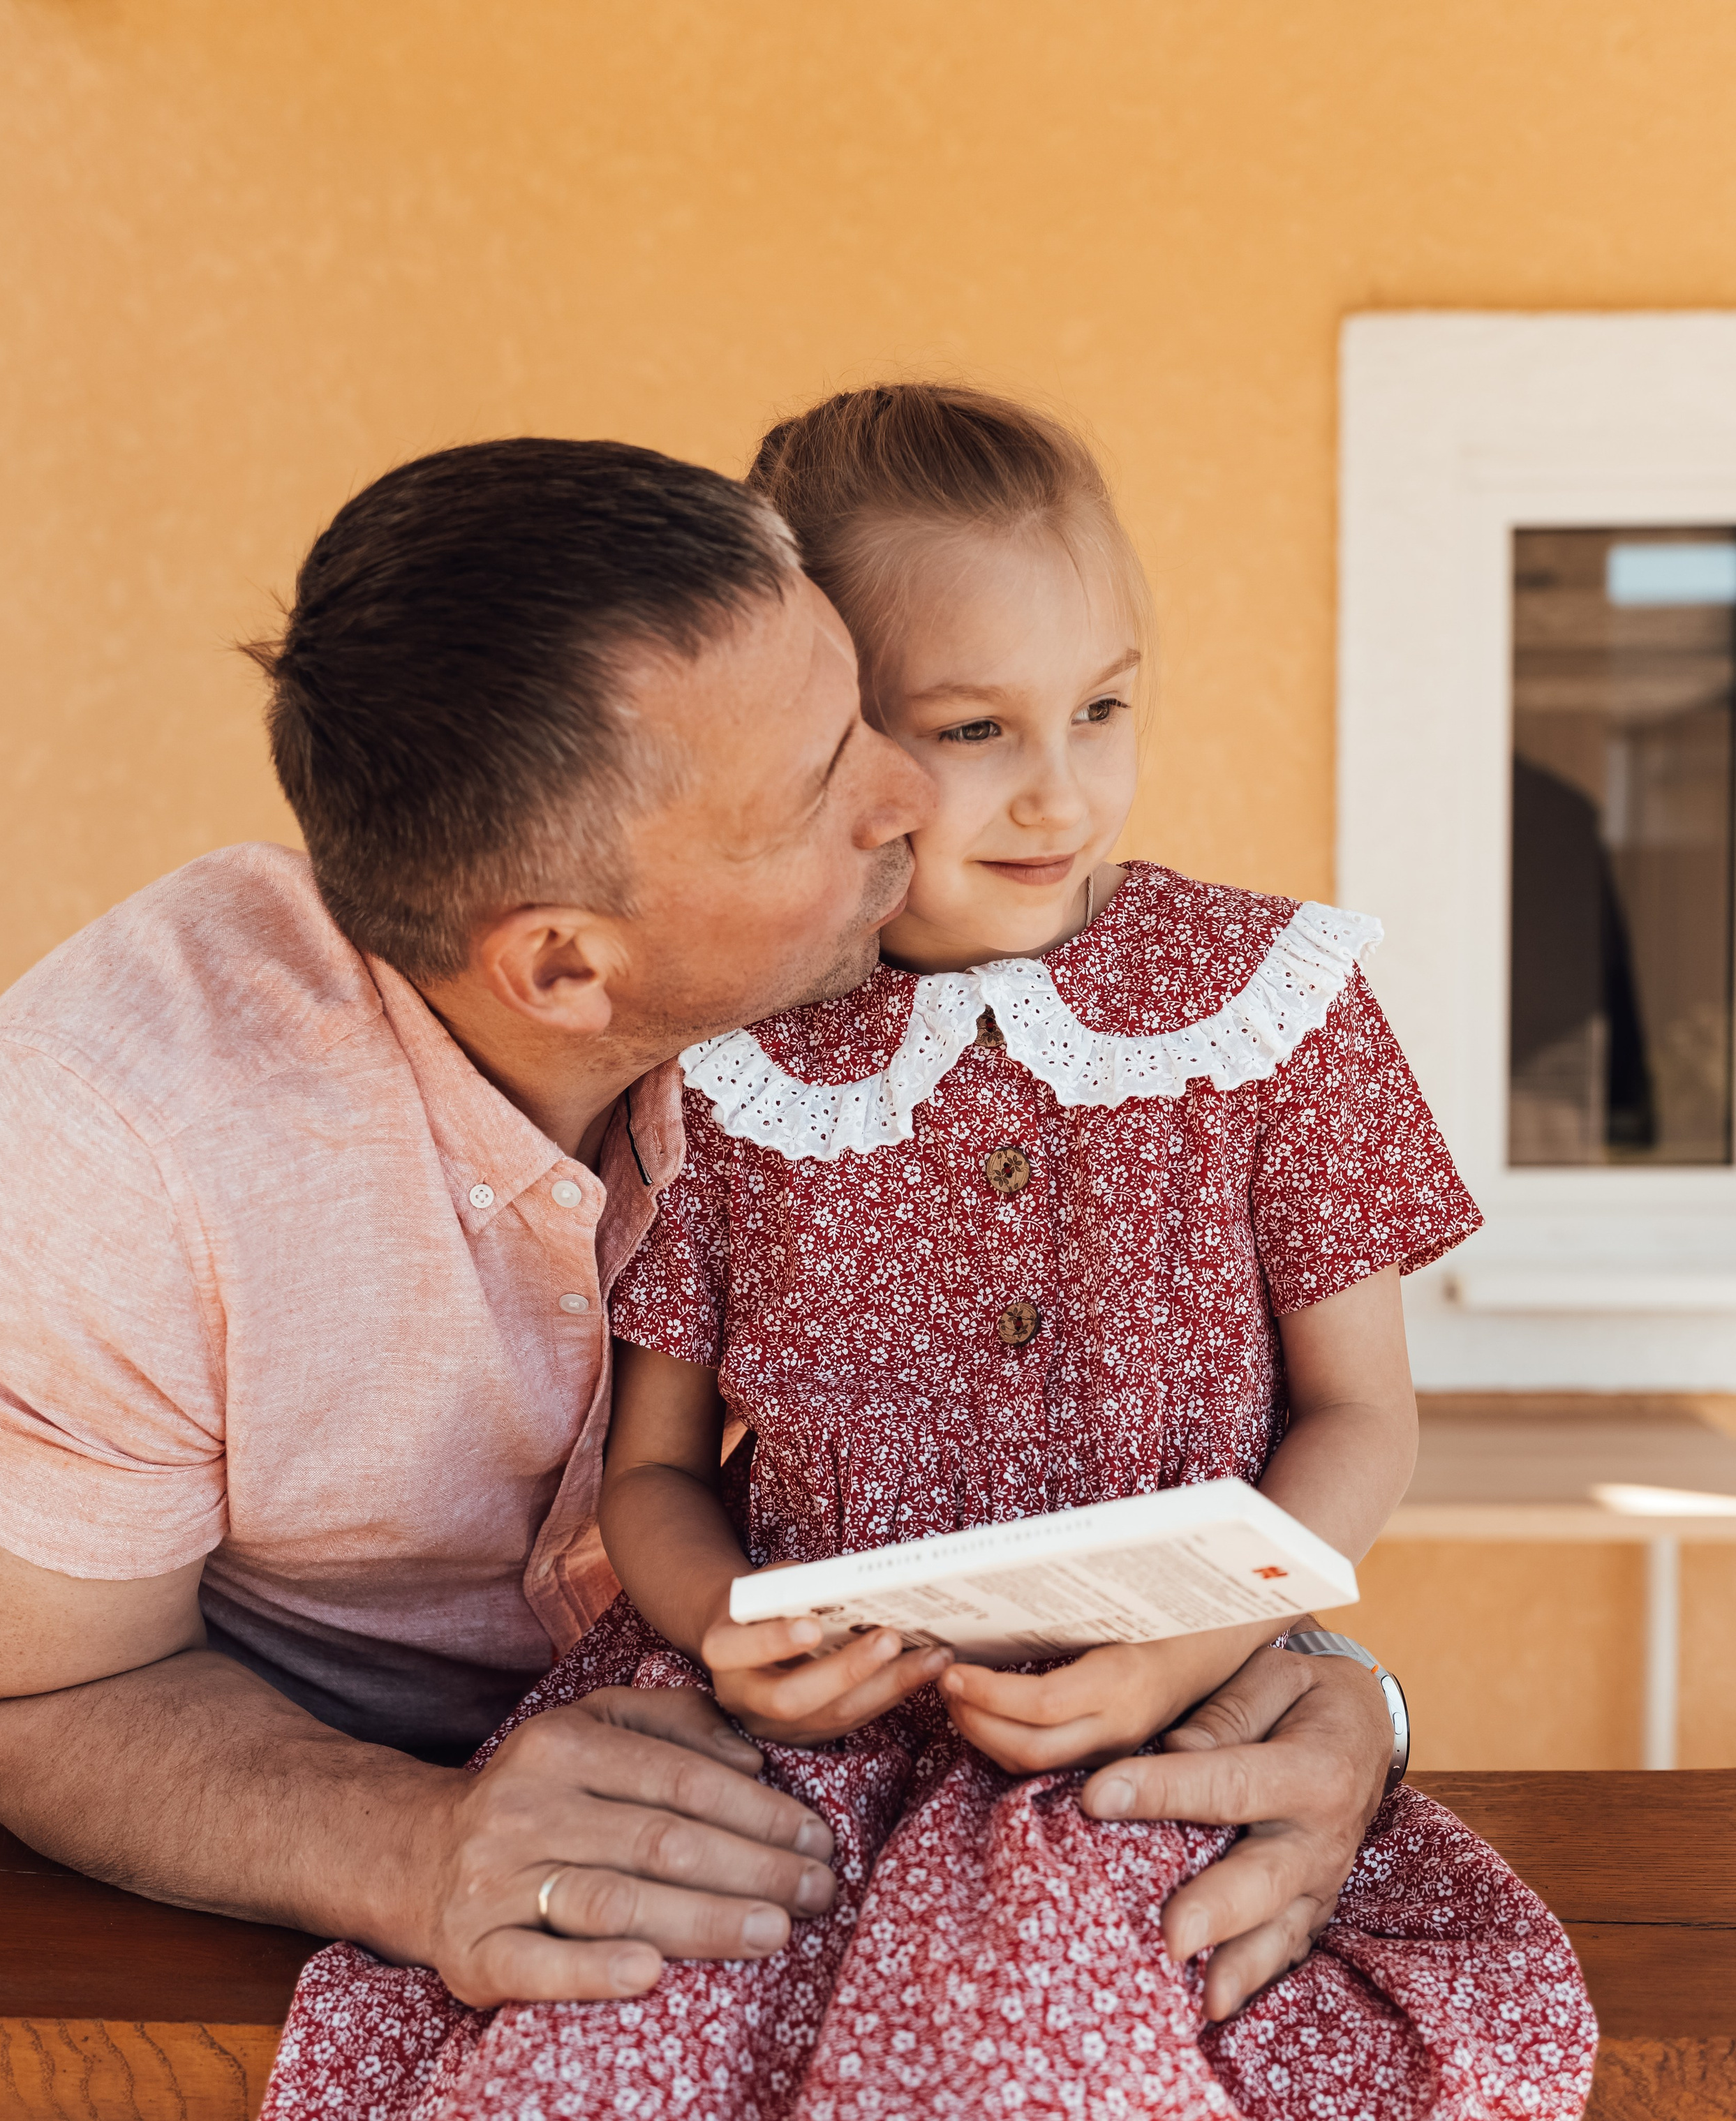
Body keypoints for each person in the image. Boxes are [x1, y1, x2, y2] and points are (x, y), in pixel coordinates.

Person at [262, 392, 1596, 2118]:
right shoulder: (733, 1057)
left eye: (1104, 706)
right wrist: (728, 1626)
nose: (1060, 787)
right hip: (777, 1747)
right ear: (848, 744)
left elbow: (1361, 1417)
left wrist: (1201, 1642)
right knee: (590, 2051)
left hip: (1128, 1729)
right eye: (973, 725)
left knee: (1028, 2052)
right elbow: (657, 1474)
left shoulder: (1275, 1009)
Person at [0, 436, 1406, 2017]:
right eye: (825, 775)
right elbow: (36, 1693)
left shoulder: (866, 995)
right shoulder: (102, 1147)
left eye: (867, 700)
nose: (917, 791)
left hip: (891, 1785)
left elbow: (1157, 1449)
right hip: (353, 1873)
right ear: (568, 968)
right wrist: (416, 1840)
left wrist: (1329, 1684)